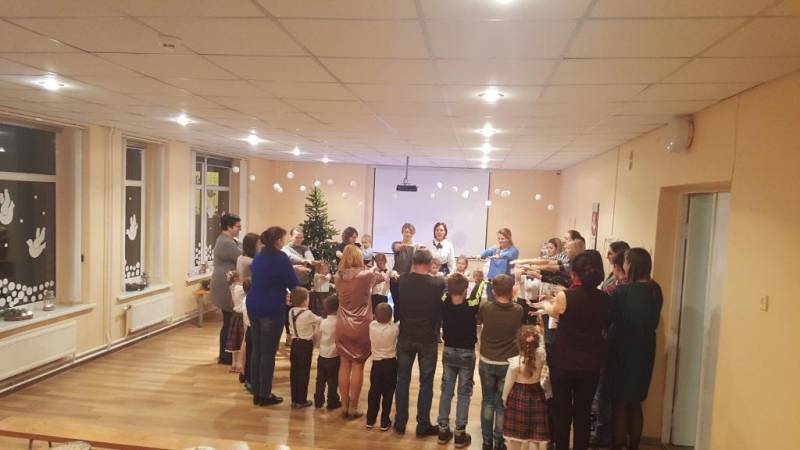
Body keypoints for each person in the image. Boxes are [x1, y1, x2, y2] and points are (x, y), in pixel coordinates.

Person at [536, 250, 611, 450]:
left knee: (561, 411)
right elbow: (605, 323)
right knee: (583, 412)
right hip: (591, 362)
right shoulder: (606, 299)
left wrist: (547, 302)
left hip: (563, 361)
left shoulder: (566, 296)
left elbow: (553, 311)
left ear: (575, 274)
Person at [608, 248, 663, 450]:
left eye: (626, 261)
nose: (624, 265)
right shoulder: (655, 289)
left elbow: (611, 319)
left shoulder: (622, 291)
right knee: (635, 401)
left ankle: (617, 446)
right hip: (646, 348)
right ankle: (634, 446)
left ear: (631, 265)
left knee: (620, 402)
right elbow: (654, 321)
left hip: (622, 348)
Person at [394, 248, 445, 437]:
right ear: (430, 263)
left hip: (406, 335)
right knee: (426, 383)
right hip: (428, 338)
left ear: (413, 262)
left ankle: (400, 423)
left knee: (402, 380)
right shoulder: (438, 283)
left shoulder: (403, 280)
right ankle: (423, 425)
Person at [247, 226, 300, 407]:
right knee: (268, 352)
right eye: (282, 239)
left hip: (253, 304)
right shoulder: (281, 258)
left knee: (257, 350)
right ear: (277, 241)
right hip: (271, 307)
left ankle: (256, 391)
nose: (284, 242)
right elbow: (293, 283)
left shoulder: (259, 256)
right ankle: (264, 395)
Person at [335, 244, 384, 419]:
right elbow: (381, 277)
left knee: (344, 365)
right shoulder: (366, 275)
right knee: (358, 365)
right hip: (361, 325)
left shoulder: (338, 277)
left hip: (342, 324)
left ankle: (344, 406)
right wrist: (366, 268)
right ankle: (353, 408)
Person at [477, 274, 524, 450]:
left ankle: (486, 441)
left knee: (487, 401)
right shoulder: (518, 310)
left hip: (487, 360)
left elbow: (479, 324)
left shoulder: (486, 308)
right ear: (512, 291)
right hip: (508, 363)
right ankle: (499, 441)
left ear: (494, 291)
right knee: (502, 404)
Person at [438, 273, 479, 448]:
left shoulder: (444, 301)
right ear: (465, 290)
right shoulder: (471, 305)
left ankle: (442, 430)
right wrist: (479, 280)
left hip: (448, 351)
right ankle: (460, 433)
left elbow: (442, 291)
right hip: (467, 353)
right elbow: (478, 293)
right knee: (464, 394)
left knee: (446, 392)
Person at [502, 326, 550, 450]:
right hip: (537, 397)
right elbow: (542, 348)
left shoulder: (516, 363)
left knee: (516, 436)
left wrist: (504, 398)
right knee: (535, 436)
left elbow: (508, 383)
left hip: (517, 399)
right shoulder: (541, 358)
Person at [209, 213, 242, 365]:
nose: (239, 229)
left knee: (228, 321)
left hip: (225, 283)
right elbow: (242, 257)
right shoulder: (226, 242)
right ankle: (225, 355)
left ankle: (226, 354)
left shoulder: (228, 240)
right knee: (229, 321)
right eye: (237, 227)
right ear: (229, 227)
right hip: (225, 285)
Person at [366, 303, 399, 431]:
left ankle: (370, 419)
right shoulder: (394, 329)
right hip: (390, 364)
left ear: (375, 315)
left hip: (376, 364)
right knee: (388, 393)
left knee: (374, 392)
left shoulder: (372, 326)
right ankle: (384, 421)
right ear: (390, 317)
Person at [287, 287, 321, 409]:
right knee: (303, 373)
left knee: (294, 372)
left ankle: (294, 400)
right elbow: (320, 320)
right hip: (305, 346)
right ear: (304, 301)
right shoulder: (308, 314)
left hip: (294, 344)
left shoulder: (291, 311)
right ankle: (301, 400)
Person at [237, 233, 260, 388]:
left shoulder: (241, 258)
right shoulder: (251, 261)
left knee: (246, 338)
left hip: (243, 295)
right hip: (249, 295)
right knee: (248, 338)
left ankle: (243, 370)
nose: (260, 246)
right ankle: (244, 370)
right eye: (258, 244)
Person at [314, 295, 342, 410]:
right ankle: (332, 401)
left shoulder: (323, 322)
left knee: (320, 379)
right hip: (334, 356)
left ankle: (318, 400)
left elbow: (318, 336)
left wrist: (317, 346)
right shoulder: (339, 323)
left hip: (322, 355)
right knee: (333, 380)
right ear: (339, 308)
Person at [480, 228, 519, 303]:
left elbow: (509, 255)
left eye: (502, 239)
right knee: (491, 305)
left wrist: (498, 255)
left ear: (508, 238)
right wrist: (491, 248)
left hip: (504, 285)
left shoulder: (513, 250)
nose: (500, 240)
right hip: (491, 283)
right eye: (499, 238)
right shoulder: (495, 249)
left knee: (503, 305)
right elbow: (483, 255)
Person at [390, 223, 417, 322]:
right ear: (402, 232)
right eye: (406, 231)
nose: (407, 234)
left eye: (410, 232)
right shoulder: (396, 244)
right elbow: (396, 247)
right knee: (397, 305)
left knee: (406, 306)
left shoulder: (415, 247)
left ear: (413, 234)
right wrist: (403, 245)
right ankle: (396, 326)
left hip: (408, 281)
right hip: (395, 280)